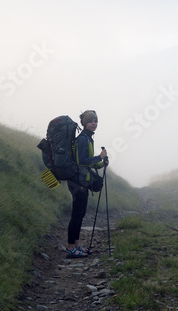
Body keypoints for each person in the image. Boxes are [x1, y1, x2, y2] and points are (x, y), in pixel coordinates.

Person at [65, 110, 108, 258]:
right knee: (76, 215)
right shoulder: (83, 139)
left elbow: (88, 163)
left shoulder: (88, 138)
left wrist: (101, 162)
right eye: (90, 121)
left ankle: (76, 245)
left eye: (96, 121)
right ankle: (71, 248)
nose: (94, 123)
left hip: (81, 180)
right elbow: (81, 162)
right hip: (77, 182)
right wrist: (98, 157)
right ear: (85, 123)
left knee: (81, 214)